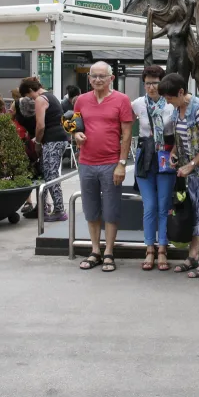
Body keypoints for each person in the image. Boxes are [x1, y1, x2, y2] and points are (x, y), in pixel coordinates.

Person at [73, 62, 133, 273]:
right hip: (86, 162)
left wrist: (122, 164)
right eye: (94, 76)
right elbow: (74, 125)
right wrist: (75, 134)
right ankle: (95, 250)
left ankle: (109, 252)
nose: (98, 80)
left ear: (111, 78)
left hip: (110, 163)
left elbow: (127, 135)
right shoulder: (81, 100)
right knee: (90, 209)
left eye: (102, 76)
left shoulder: (122, 100)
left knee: (111, 210)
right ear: (89, 78)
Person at [160, 72, 199, 278]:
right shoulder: (178, 110)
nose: (167, 101)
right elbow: (180, 135)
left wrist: (192, 164)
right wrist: (175, 152)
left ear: (181, 92)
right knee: (192, 212)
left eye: (170, 97)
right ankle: (193, 255)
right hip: (188, 170)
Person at [132, 66, 177, 271]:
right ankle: (149, 248)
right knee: (149, 205)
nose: (151, 87)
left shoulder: (171, 104)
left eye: (156, 83)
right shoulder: (137, 104)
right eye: (148, 83)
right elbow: (122, 126)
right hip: (145, 155)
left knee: (163, 205)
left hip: (166, 155)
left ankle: (163, 249)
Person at [18, 77, 70, 222]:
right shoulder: (51, 95)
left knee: (51, 176)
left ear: (30, 91)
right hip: (59, 138)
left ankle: (59, 210)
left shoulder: (41, 99)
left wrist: (38, 142)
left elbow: (40, 125)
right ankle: (44, 206)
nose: (30, 100)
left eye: (28, 97)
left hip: (52, 140)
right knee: (47, 173)